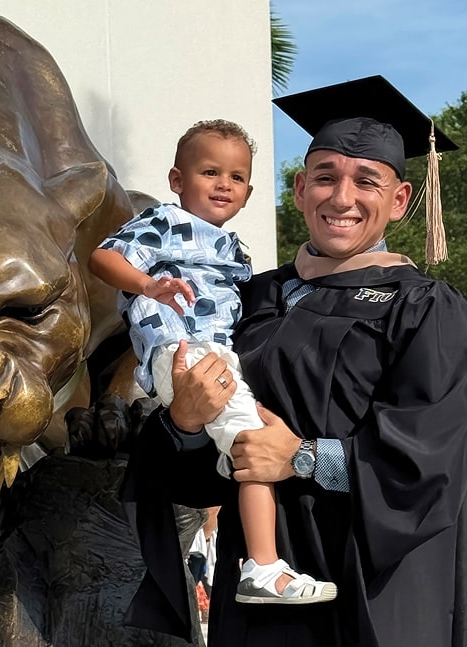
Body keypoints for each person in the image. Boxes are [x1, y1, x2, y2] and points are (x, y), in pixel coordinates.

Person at [123, 76, 467, 646]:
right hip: (257, 596)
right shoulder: (248, 298)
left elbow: (435, 459)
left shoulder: (424, 310)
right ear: (299, 190)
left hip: (371, 591)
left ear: (400, 200)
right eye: (325, 178)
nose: (342, 198)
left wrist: (300, 458)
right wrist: (186, 424)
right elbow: (190, 473)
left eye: (365, 182)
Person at [92, 119, 336, 604]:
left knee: (239, 450)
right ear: (177, 181)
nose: (224, 184)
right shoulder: (165, 222)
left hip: (211, 354)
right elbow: (103, 257)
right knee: (257, 446)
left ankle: (253, 555)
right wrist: (146, 285)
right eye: (209, 172)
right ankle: (263, 567)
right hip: (186, 350)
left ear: (248, 192)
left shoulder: (232, 248)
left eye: (237, 177)